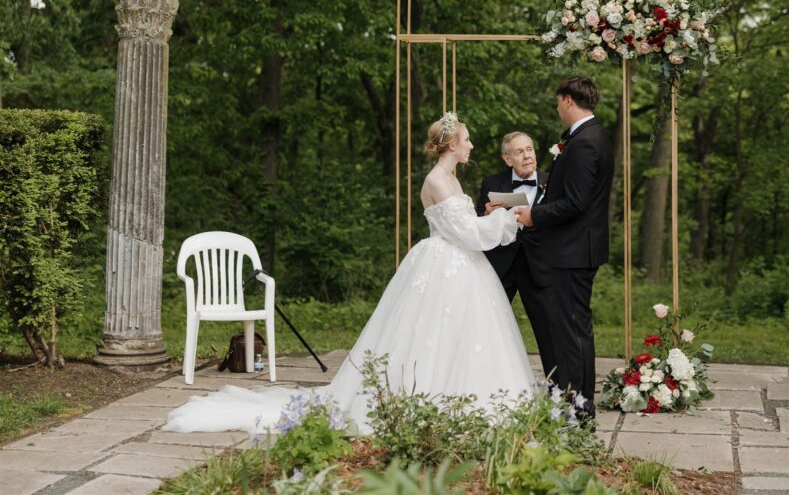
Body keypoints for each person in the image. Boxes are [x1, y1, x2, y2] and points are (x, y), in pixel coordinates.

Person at [165, 113, 536, 435]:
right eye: (467, 140)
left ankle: (462, 399)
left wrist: (490, 216)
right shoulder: (438, 180)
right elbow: (467, 234)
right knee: (430, 335)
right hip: (445, 263)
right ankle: (428, 400)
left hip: (461, 265)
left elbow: (466, 226)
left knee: (460, 337)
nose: (472, 145)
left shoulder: (451, 178)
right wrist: (504, 219)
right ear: (452, 143)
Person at [515, 76, 614, 419]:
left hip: (573, 251)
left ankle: (578, 408)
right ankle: (578, 403)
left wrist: (534, 215)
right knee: (574, 328)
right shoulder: (590, 136)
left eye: (558, 102)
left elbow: (575, 202)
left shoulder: (585, 142)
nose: (557, 109)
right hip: (576, 249)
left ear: (568, 100)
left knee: (571, 330)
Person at [476, 132, 556, 380]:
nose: (527, 155)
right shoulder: (492, 183)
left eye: (529, 149)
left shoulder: (552, 181)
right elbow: (479, 223)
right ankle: (485, 381)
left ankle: (557, 387)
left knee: (548, 332)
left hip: (539, 266)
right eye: (519, 152)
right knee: (488, 327)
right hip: (502, 266)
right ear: (507, 158)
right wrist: (487, 215)